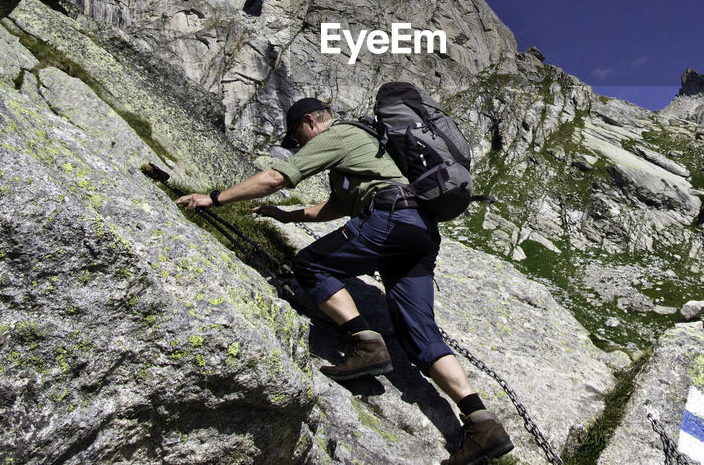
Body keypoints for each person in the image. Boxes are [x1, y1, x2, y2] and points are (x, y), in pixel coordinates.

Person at [177, 97, 514, 465]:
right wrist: (289, 217)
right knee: (421, 334)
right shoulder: (368, 145)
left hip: (390, 218)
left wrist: (215, 198)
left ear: (309, 122)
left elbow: (277, 177)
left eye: (298, 137)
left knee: (310, 265)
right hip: (420, 232)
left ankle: (366, 344)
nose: (302, 145)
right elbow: (337, 206)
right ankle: (482, 422)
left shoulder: (339, 134)